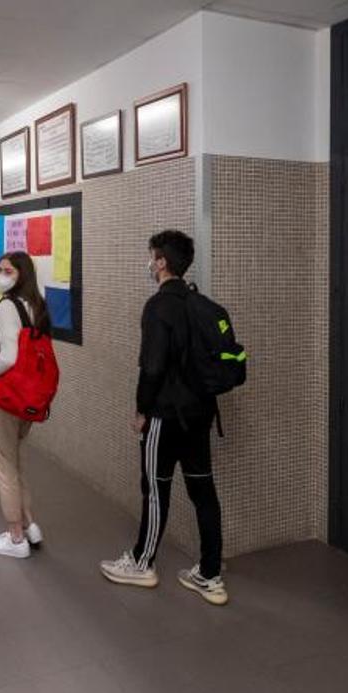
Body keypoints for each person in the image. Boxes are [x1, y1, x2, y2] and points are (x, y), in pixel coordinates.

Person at [99, 230, 228, 606]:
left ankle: (141, 563)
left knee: (155, 489)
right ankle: (209, 574)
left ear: (160, 263)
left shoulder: (159, 307)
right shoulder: (197, 302)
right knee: (203, 491)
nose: (149, 262)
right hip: (200, 414)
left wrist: (141, 410)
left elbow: (152, 368)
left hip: (165, 417)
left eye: (151, 256)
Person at [0, 252, 50, 559]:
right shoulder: (37, 305)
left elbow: (8, 356)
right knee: (16, 461)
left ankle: (16, 538)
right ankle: (30, 525)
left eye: (7, 271)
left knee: (4, 465)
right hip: (28, 397)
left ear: (22, 274)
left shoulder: (7, 306)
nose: (0, 275)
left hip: (5, 395)